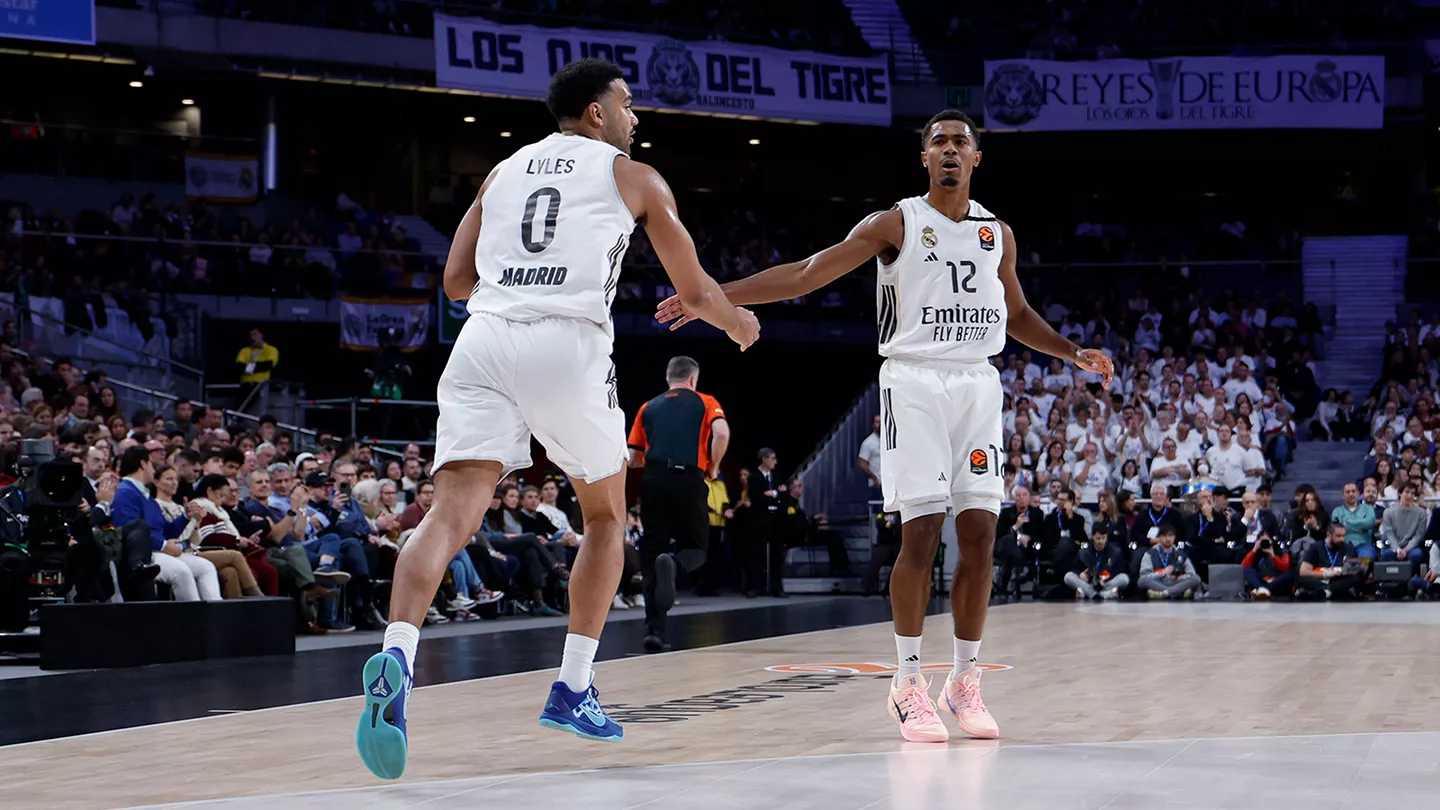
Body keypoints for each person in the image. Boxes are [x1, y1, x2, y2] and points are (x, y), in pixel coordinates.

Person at [356, 58, 761, 777]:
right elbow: (695, 289)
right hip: (565, 344)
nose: (637, 117)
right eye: (628, 104)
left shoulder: (503, 170)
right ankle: (573, 686)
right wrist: (738, 326)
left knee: (447, 518)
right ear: (599, 113)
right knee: (605, 517)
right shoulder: (633, 176)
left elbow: (454, 281)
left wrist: (515, 284)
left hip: (482, 339)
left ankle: (395, 656)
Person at [660, 109, 1114, 741]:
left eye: (961, 143)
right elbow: (806, 274)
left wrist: (1070, 352)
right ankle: (907, 682)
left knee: (979, 532)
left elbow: (1015, 311)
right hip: (915, 379)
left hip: (978, 381)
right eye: (939, 143)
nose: (951, 151)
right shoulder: (896, 222)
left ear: (977, 157)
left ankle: (965, 679)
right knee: (922, 532)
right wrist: (714, 294)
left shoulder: (997, 233)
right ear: (924, 157)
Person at [625, 355, 729, 652]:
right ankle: (675, 564)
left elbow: (634, 458)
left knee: (650, 554)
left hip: (654, 481)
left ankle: (654, 631)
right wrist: (713, 467)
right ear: (693, 379)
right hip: (689, 479)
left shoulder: (648, 407)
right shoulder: (705, 401)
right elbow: (721, 433)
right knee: (696, 549)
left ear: (668, 378)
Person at [1063, 525, 1128, 600]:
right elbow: (1075, 569)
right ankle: (1096, 594)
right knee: (1068, 576)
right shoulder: (1084, 551)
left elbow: (1119, 570)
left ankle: (1092, 593)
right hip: (1088, 582)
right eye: (1098, 538)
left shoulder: (1115, 551)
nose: (1101, 541)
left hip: (1105, 583)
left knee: (1124, 578)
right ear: (1093, 537)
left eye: (1103, 538)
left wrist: (1107, 577)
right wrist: (1080, 574)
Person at [1137, 525, 1201, 599]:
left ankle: (1165, 593)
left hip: (1176, 582)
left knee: (1196, 578)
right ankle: (1178, 593)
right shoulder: (1150, 553)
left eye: (1170, 536)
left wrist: (1180, 578)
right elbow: (1144, 575)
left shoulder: (1180, 553)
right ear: (1159, 537)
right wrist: (1163, 573)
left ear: (1174, 537)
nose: (1167, 539)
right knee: (1142, 581)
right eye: (1164, 536)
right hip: (1159, 582)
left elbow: (1191, 573)